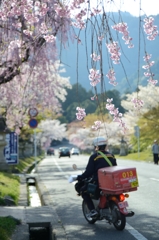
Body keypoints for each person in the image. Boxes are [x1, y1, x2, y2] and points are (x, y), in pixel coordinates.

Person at [76, 136, 117, 218]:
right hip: (112, 182)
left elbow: (89, 171)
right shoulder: (111, 155)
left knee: (83, 190)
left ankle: (92, 210)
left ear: (96, 146)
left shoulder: (94, 156)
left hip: (99, 182)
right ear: (105, 145)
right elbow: (115, 167)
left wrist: (81, 177)